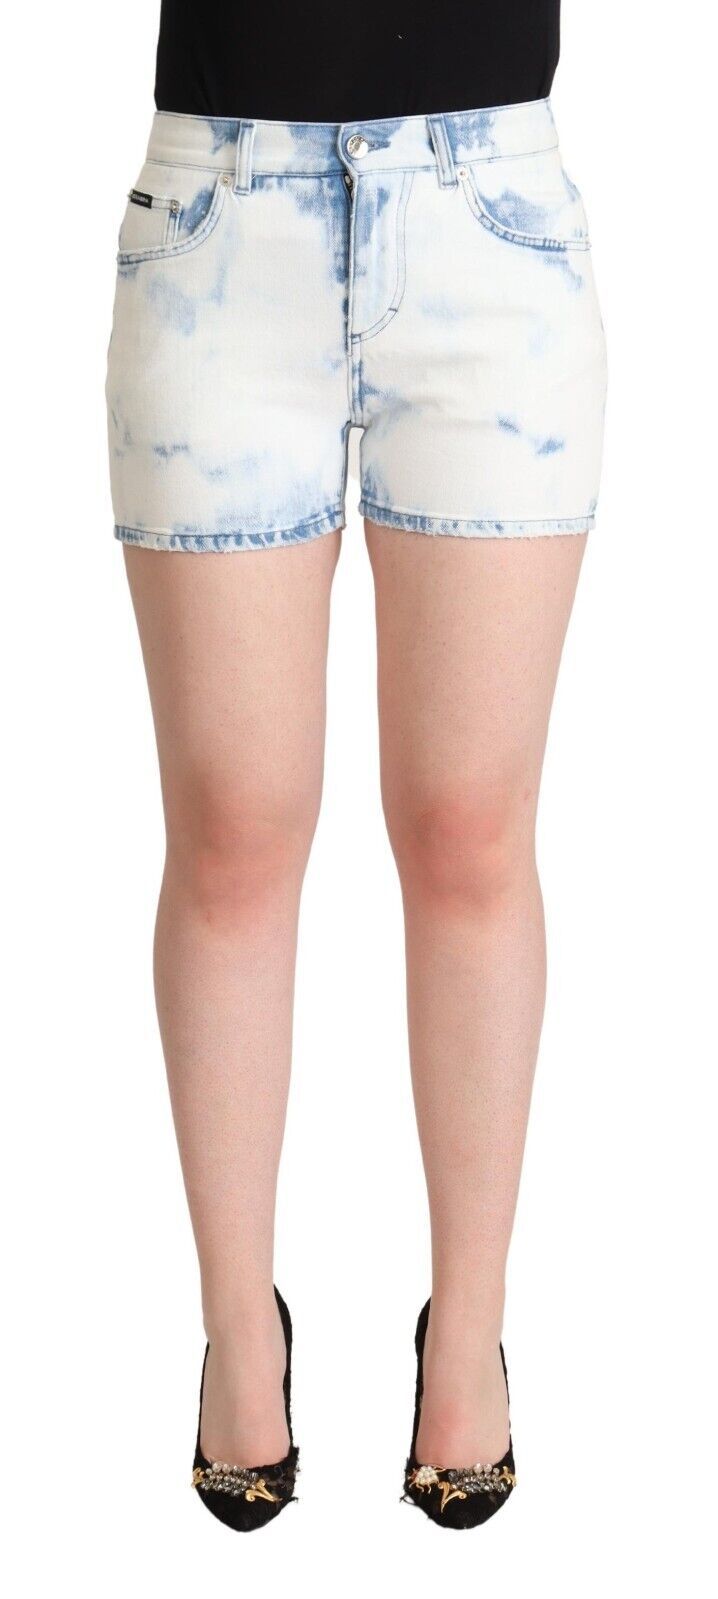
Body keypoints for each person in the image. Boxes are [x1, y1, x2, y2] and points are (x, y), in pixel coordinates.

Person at [106, 0, 607, 1531]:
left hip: (487, 223)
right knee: (233, 829)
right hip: (220, 215)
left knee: (467, 827)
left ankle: (467, 1329)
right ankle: (236, 1327)